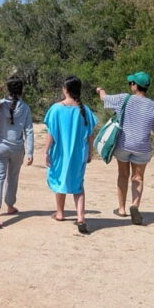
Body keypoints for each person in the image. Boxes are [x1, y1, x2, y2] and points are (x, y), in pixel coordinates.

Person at [95, 71, 154, 225]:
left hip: (124, 144)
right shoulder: (153, 106)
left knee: (123, 175)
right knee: (138, 178)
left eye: (131, 83)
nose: (130, 85)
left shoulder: (124, 99)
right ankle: (135, 205)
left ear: (135, 86)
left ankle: (121, 209)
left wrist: (100, 90)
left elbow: (104, 98)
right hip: (142, 146)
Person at [43, 76, 97, 234]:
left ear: (65, 89)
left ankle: (60, 213)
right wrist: (89, 152)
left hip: (60, 152)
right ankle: (81, 217)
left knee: (59, 179)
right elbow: (90, 135)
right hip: (78, 154)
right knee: (78, 186)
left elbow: (51, 133)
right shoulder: (84, 110)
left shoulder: (56, 109)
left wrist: (46, 151)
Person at [0, 77, 34, 228]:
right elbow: (29, 130)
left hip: (0, 147)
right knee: (12, 178)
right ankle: (10, 206)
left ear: (8, 90)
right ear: (21, 91)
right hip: (17, 148)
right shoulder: (25, 108)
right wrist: (30, 152)